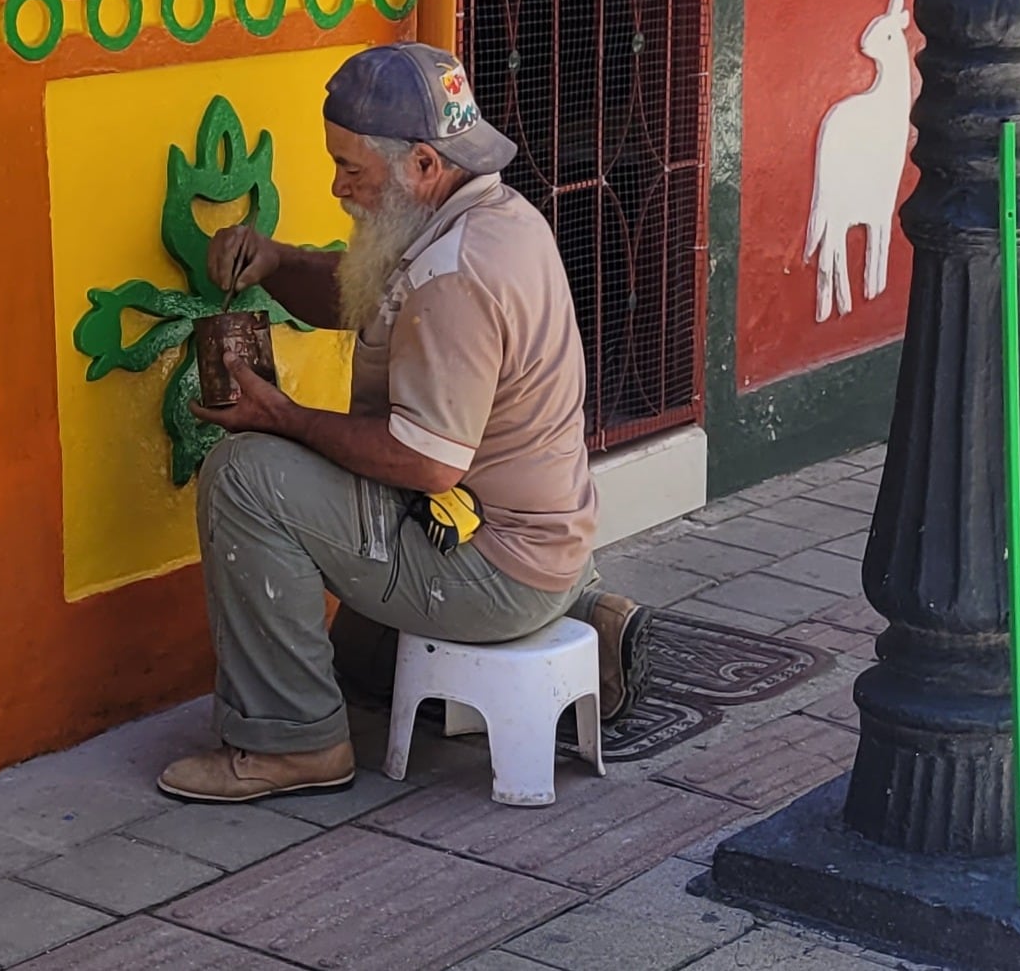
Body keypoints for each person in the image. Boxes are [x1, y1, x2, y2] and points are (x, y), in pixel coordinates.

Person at [157, 42, 653, 803]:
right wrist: (279, 261)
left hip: (489, 560)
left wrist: (281, 416)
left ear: (422, 163)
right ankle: (581, 609)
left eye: (352, 169)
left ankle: (294, 744)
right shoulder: (487, 212)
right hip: (539, 541)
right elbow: (371, 290)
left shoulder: (455, 274)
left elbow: (425, 464)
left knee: (244, 476)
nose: (337, 185)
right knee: (360, 661)